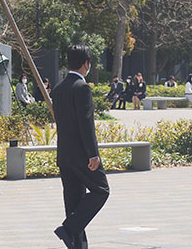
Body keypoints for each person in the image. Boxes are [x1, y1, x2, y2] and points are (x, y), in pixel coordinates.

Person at [53, 45, 110, 249]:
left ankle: (77, 245)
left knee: (73, 203)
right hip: (82, 156)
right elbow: (86, 123)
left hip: (65, 155)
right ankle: (68, 228)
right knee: (101, 190)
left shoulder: (59, 89)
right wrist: (93, 154)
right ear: (86, 63)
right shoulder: (82, 87)